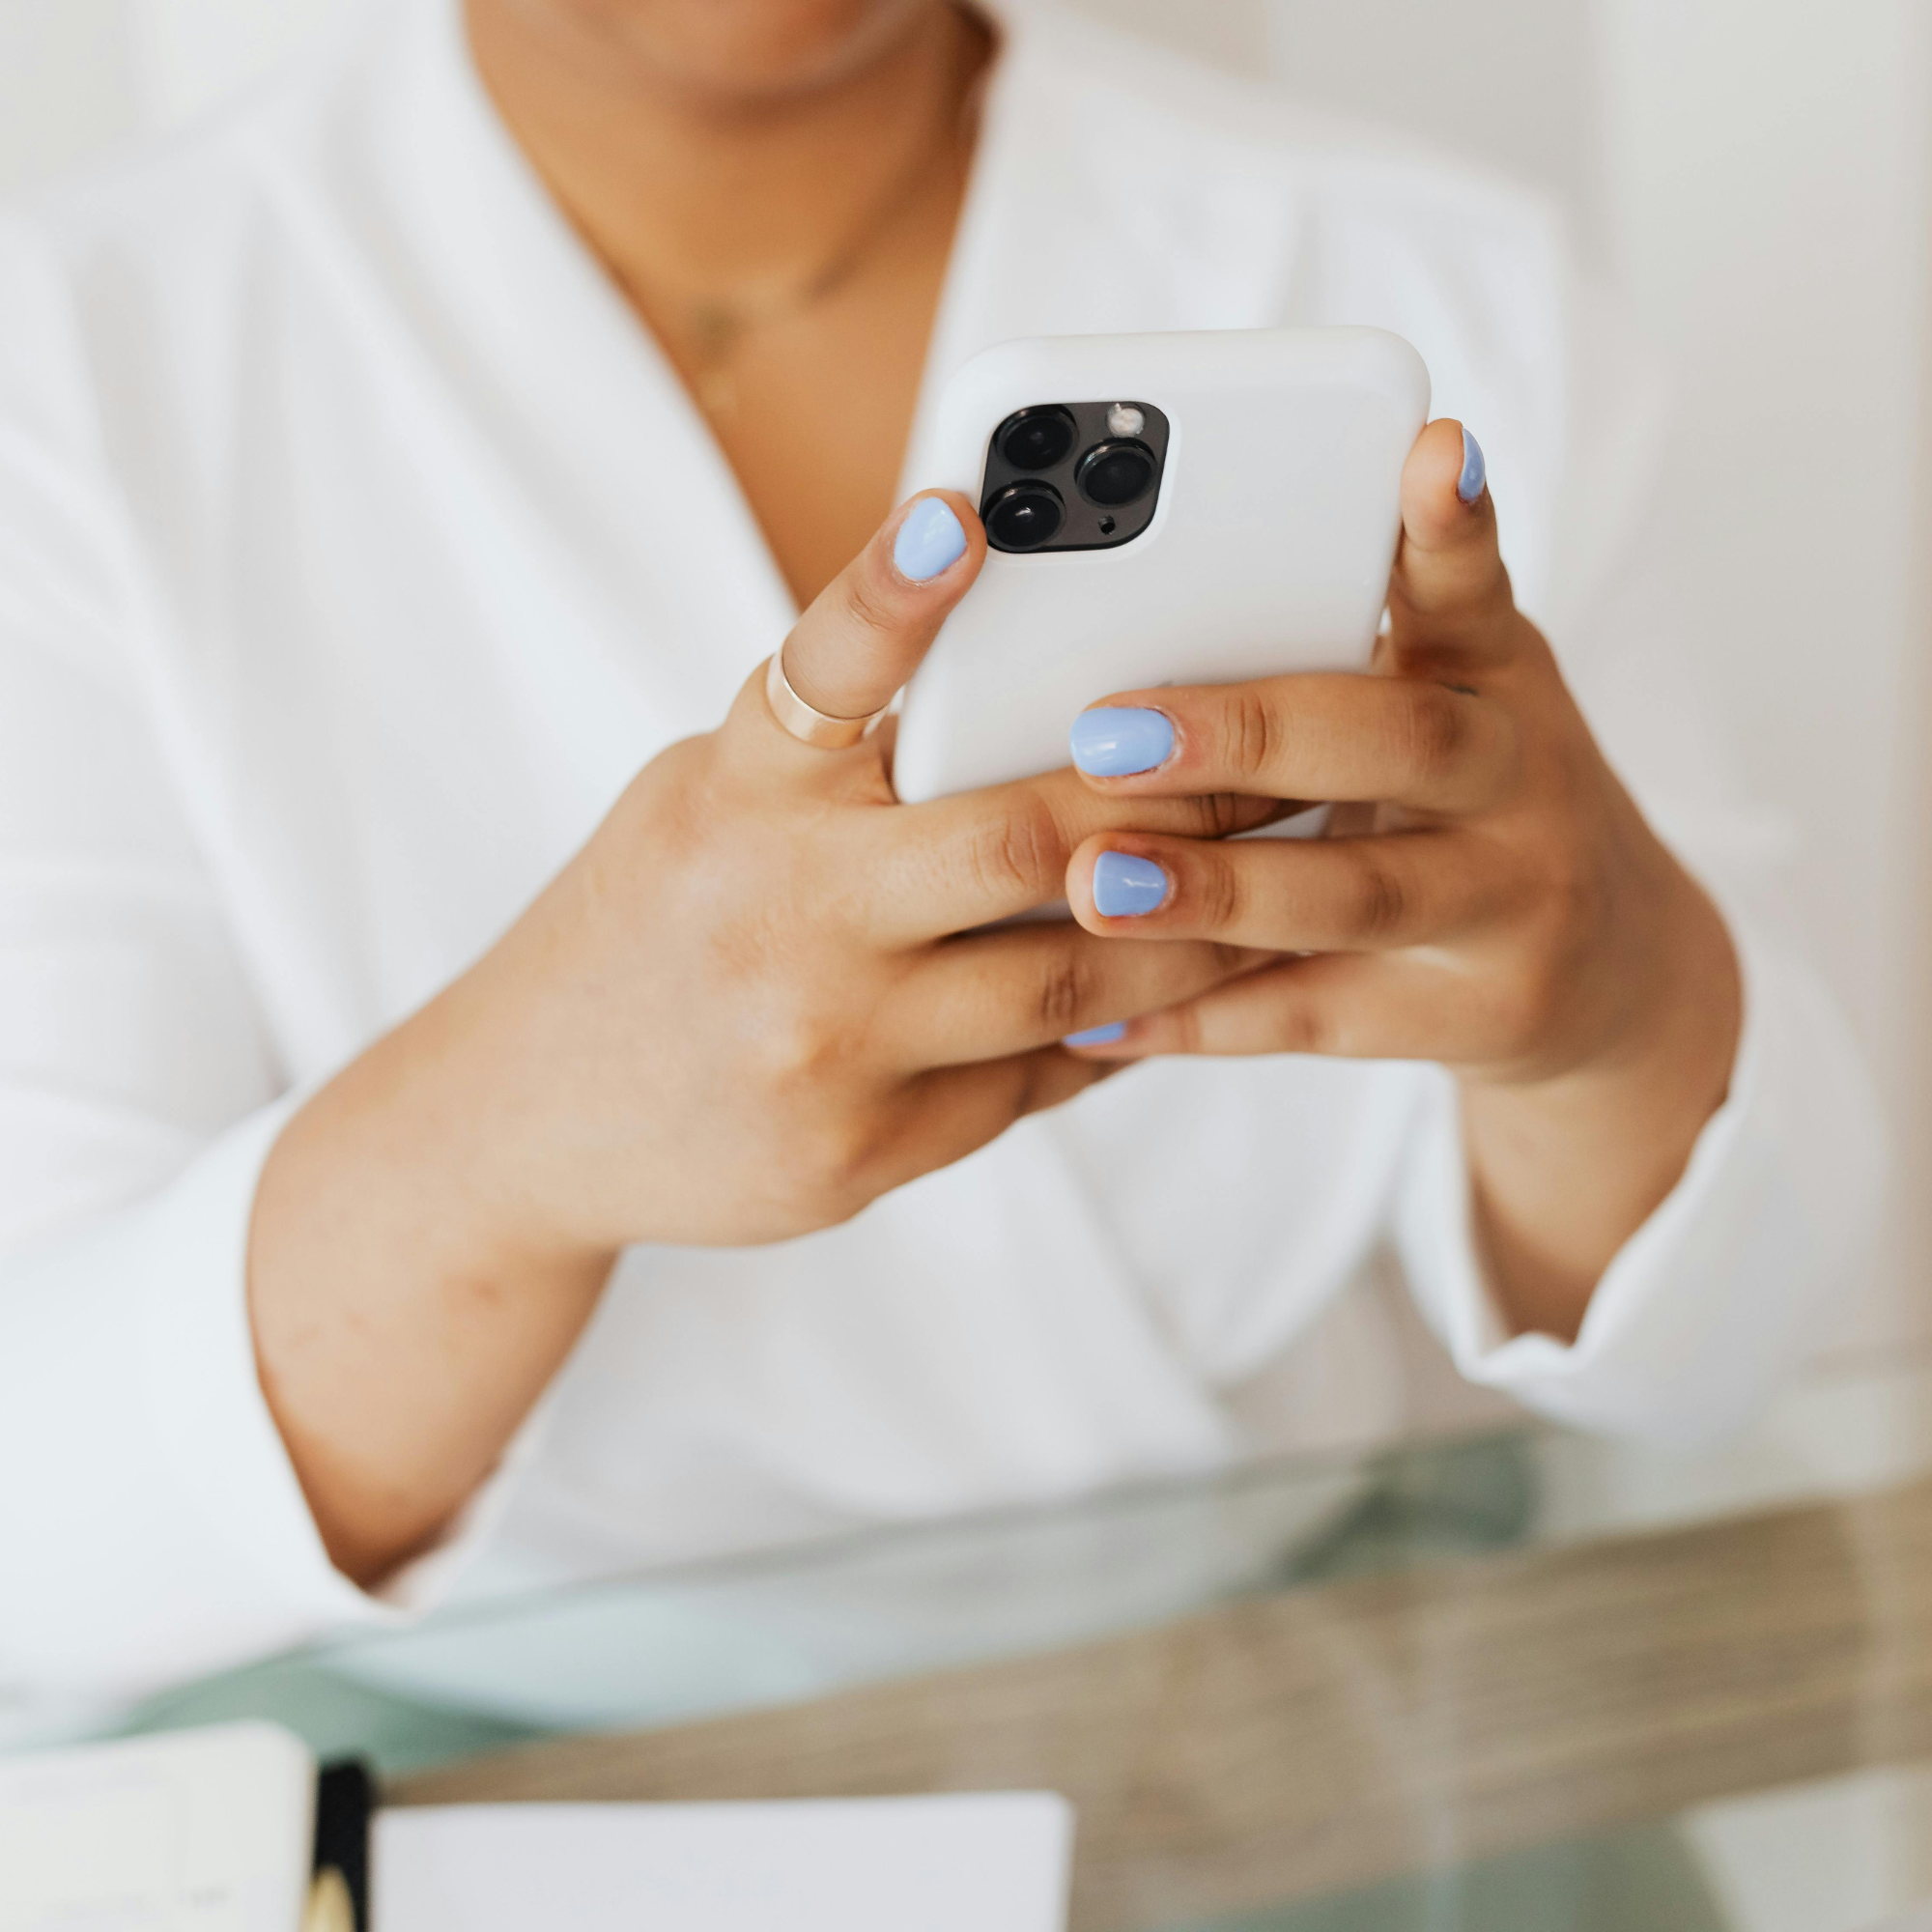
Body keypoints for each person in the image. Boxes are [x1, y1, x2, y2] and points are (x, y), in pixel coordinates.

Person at [0, 0, 1880, 1707]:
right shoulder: (74, 362)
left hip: (1328, 1711)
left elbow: (1721, 1356)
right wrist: (508, 1130)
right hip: (504, 1767)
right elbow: (45, 1534)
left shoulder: (1430, 284)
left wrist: (1612, 1013)